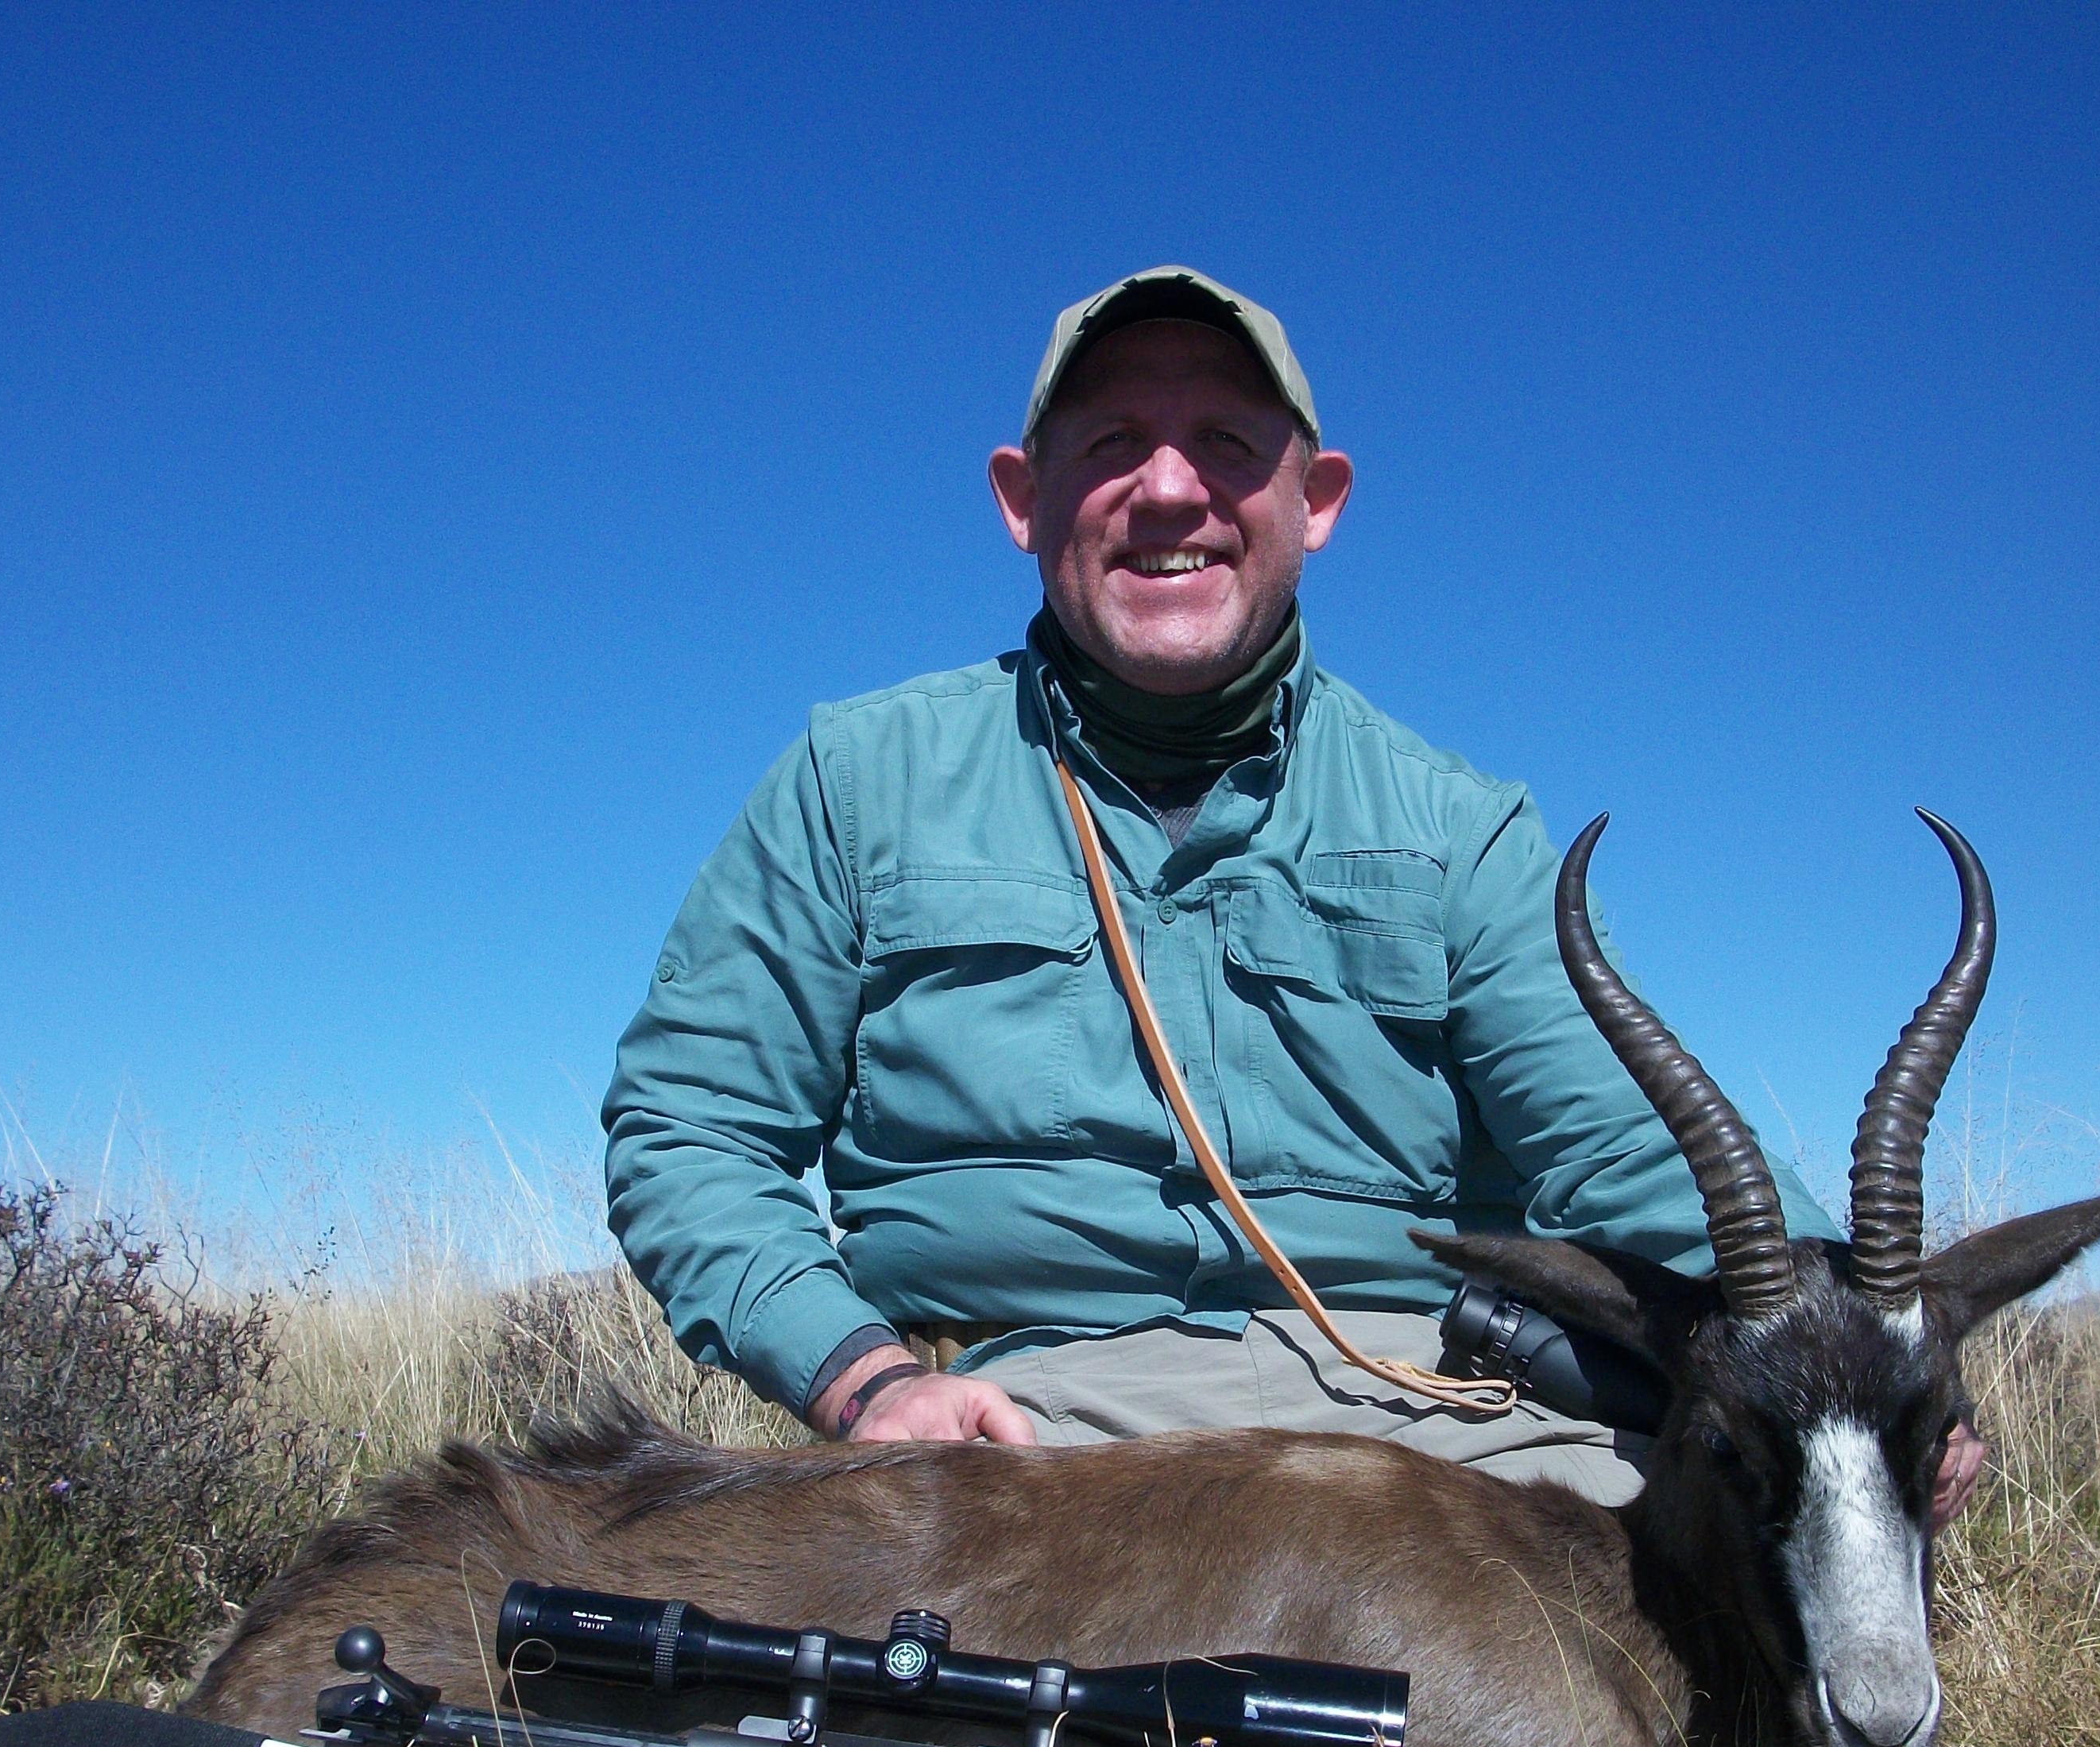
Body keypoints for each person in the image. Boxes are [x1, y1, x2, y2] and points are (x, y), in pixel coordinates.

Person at [604, 266, 1985, 1519]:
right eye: (1109, 447)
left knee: (1709, 1603)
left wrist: (1850, 1334)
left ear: (1313, 500)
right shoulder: (857, 779)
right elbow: (690, 1130)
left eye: (1224, 447)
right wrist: (865, 1386)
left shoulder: (1460, 827)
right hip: (1022, 1437)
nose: (1166, 491)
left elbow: (1630, 1156)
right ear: (1024, 501)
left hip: (1427, 1423)